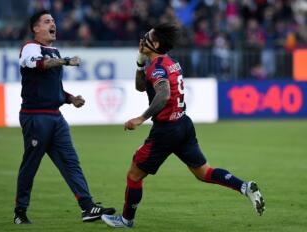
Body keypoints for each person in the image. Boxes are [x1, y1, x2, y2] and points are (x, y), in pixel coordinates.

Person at [101, 23, 265, 228]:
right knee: (203, 172)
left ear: (156, 44)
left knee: (134, 174)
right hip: (183, 124)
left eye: (148, 36)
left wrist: (141, 118)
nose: (143, 38)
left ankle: (126, 220)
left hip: (166, 130)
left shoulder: (158, 67)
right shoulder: (170, 62)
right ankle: (244, 187)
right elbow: (140, 87)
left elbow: (163, 94)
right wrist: (140, 63)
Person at [13, 10, 115, 224]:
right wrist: (66, 61)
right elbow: (40, 64)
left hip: (55, 117)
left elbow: (53, 87)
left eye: (53, 21)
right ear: (35, 28)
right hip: (35, 117)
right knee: (31, 165)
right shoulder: (30, 48)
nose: (53, 24)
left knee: (71, 162)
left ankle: (88, 208)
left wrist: (70, 98)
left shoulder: (54, 51)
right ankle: (20, 212)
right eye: (47, 21)